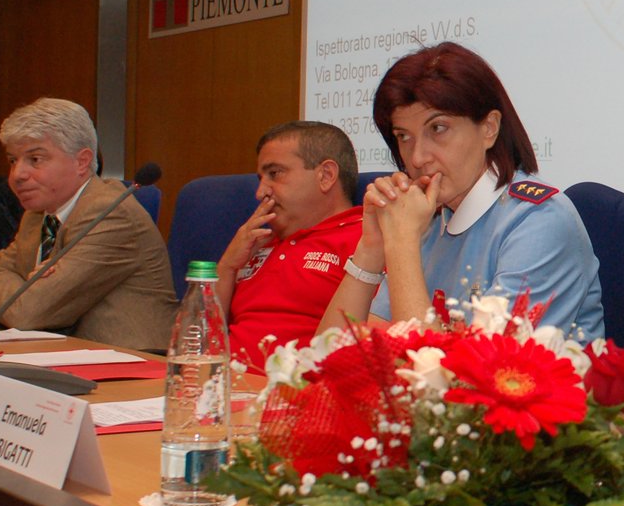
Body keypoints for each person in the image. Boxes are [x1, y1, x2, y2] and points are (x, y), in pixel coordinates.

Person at [318, 42, 604, 337]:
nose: (417, 158)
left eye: (438, 129)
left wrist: (402, 243)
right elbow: (328, 358)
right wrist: (372, 250)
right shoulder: (425, 220)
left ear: (489, 128)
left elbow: (454, 377)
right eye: (404, 136)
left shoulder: (539, 222)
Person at [0, 98, 176, 351]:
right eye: (13, 160)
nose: (18, 175)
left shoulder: (110, 213)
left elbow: (29, 312)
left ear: (82, 161)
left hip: (132, 366)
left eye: (35, 159)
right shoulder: (38, 215)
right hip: (64, 357)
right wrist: (17, 284)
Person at [216, 121, 362, 370]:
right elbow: (201, 335)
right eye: (261, 179)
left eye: (275, 174)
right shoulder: (255, 241)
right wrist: (228, 266)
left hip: (301, 398)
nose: (260, 193)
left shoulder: (367, 239)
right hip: (224, 389)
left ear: (326, 176)